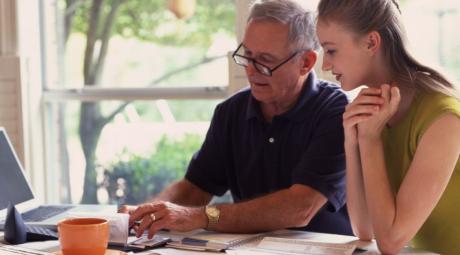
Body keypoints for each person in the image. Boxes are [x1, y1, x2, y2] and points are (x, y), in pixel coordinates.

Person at [120, 0, 352, 239]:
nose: (251, 70)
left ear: (306, 63)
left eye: (266, 60)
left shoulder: (336, 112)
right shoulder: (231, 111)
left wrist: (201, 217)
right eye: (248, 55)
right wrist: (148, 212)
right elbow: (195, 187)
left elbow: (300, 207)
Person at [316, 0, 460, 254]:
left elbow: (390, 242)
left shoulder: (444, 118)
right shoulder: (376, 110)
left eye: (331, 51)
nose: (325, 65)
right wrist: (353, 140)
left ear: (371, 42)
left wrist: (370, 140)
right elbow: (364, 228)